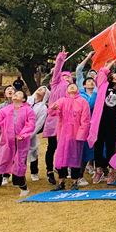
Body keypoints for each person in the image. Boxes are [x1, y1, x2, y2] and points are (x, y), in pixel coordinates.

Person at [0, 90, 36, 203]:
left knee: (18, 164)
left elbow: (31, 124)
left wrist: (23, 134)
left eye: (19, 94)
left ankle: (23, 187)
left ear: (23, 99)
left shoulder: (28, 111)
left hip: (20, 143)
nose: (15, 95)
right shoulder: (5, 110)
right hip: (5, 142)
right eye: (15, 94)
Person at [88, 60, 116, 185]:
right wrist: (111, 63)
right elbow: (102, 72)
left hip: (112, 122)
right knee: (98, 145)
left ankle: (111, 170)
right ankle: (98, 170)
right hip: (100, 121)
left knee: (110, 147)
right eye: (113, 75)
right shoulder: (103, 85)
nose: (115, 76)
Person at [48, 83, 91, 191]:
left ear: (78, 89)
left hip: (76, 134)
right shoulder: (62, 100)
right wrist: (53, 108)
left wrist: (81, 134)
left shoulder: (83, 102)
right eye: (69, 86)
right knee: (61, 158)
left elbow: (86, 120)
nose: (72, 87)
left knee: (75, 158)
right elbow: (51, 112)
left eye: (74, 86)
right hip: (63, 134)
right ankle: (61, 182)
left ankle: (75, 182)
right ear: (66, 90)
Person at [42, 49, 73, 184]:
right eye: (64, 76)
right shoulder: (55, 84)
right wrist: (61, 58)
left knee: (64, 147)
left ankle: (62, 170)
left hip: (66, 122)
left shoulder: (72, 91)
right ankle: (49, 170)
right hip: (53, 120)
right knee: (52, 146)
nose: (66, 78)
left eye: (68, 77)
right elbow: (57, 70)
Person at [76, 52, 98, 184]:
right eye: (88, 81)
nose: (91, 82)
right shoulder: (81, 94)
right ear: (84, 85)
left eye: (93, 81)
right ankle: (79, 176)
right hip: (83, 126)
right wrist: (88, 58)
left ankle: (98, 171)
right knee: (83, 151)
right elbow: (79, 71)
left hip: (95, 126)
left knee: (94, 149)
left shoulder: (99, 93)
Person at [27, 86, 49, 181]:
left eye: (43, 90)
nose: (40, 89)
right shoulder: (27, 100)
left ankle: (34, 172)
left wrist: (30, 135)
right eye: (40, 88)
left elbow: (39, 123)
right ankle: (8, 175)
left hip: (31, 133)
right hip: (18, 131)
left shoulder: (43, 108)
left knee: (33, 152)